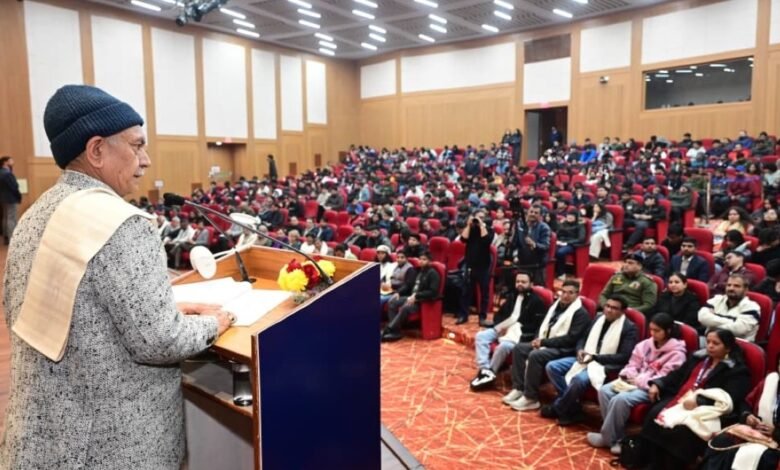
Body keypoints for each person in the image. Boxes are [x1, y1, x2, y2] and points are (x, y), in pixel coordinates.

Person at [0, 85, 232, 469]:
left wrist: (165, 308)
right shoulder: (121, 223)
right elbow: (160, 341)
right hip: (111, 447)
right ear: (96, 151)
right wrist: (215, 322)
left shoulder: (33, 217)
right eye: (137, 146)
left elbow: (55, 311)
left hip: (41, 441)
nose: (146, 160)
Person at [639, 329, 751, 469]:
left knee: (679, 430)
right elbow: (677, 375)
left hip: (706, 412)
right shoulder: (699, 358)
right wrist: (658, 384)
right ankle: (652, 463)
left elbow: (730, 399)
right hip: (682, 401)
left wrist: (699, 401)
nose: (710, 346)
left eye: (715, 343)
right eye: (708, 342)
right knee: (655, 413)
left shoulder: (737, 371)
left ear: (728, 348)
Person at [588, 313, 687, 455]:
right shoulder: (645, 344)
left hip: (651, 388)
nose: (652, 333)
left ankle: (608, 437)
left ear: (668, 331)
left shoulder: (677, 354)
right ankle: (616, 437)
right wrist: (628, 374)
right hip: (633, 381)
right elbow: (633, 363)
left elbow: (664, 377)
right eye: (651, 329)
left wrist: (639, 381)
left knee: (620, 400)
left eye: (657, 330)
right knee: (604, 390)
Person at [542, 296, 639, 426]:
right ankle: (573, 408)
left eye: (614, 308)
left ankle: (559, 407)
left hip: (604, 364)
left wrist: (595, 357)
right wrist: (580, 350)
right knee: (552, 367)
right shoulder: (598, 318)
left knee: (579, 380)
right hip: (586, 357)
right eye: (607, 306)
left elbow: (624, 356)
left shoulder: (629, 328)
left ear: (622, 311)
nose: (609, 310)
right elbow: (582, 338)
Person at [504, 280, 590, 411]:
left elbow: (570, 339)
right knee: (519, 348)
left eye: (570, 293)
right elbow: (543, 325)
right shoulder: (555, 305)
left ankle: (531, 398)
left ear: (577, 294)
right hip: (547, 342)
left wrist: (543, 343)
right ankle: (519, 388)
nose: (566, 295)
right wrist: (537, 339)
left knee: (536, 355)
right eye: (564, 292)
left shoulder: (581, 313)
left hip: (565, 349)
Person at [470, 272, 546, 390]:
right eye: (518, 281)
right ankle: (484, 368)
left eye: (523, 282)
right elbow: (499, 314)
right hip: (504, 328)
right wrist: (500, 326)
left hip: (520, 335)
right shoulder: (512, 296)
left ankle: (491, 371)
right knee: (481, 336)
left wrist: (515, 328)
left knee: (504, 346)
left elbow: (537, 326)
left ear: (531, 284)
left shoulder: (537, 302)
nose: (520, 284)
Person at [701, 356, 780, 470]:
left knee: (749, 456)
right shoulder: (771, 381)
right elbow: (746, 403)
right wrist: (747, 415)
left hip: (776, 442)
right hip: (757, 432)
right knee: (721, 441)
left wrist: (775, 432)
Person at [381, 251, 440, 342]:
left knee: (406, 307)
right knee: (392, 302)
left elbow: (433, 292)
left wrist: (416, 296)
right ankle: (396, 332)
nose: (421, 261)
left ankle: (390, 328)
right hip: (412, 297)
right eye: (420, 259)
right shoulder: (420, 271)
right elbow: (412, 286)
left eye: (424, 259)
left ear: (430, 261)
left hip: (421, 301)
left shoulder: (433, 274)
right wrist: (400, 293)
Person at [457, 210, 494, 326]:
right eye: (477, 217)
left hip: (483, 267)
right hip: (470, 266)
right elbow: (462, 239)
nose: (478, 220)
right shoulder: (471, 229)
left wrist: (482, 225)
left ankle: (482, 317)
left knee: (484, 293)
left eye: (482, 217)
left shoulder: (489, 230)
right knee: (465, 292)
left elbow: (486, 240)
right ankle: (463, 315)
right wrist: (469, 225)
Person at [699, 273, 761, 341]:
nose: (731, 288)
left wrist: (712, 323)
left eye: (736, 286)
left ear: (746, 290)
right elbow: (702, 318)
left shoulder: (752, 307)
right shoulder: (717, 299)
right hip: (710, 341)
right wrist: (732, 321)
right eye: (729, 285)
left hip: (736, 346)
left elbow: (739, 330)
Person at [554, 209, 586, 278]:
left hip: (572, 244)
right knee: (550, 250)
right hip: (560, 242)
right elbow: (557, 234)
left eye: (572, 216)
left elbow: (581, 238)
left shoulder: (580, 225)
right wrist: (560, 225)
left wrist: (567, 243)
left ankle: (561, 273)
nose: (570, 217)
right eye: (568, 215)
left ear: (576, 217)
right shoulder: (563, 224)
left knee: (560, 252)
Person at [0, 155, 22, 244]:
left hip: (2, 199)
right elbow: (14, 186)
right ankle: (12, 238)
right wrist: (18, 196)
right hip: (10, 198)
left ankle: (6, 237)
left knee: (5, 217)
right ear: (5, 162)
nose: (13, 162)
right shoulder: (7, 173)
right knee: (11, 218)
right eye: (11, 160)